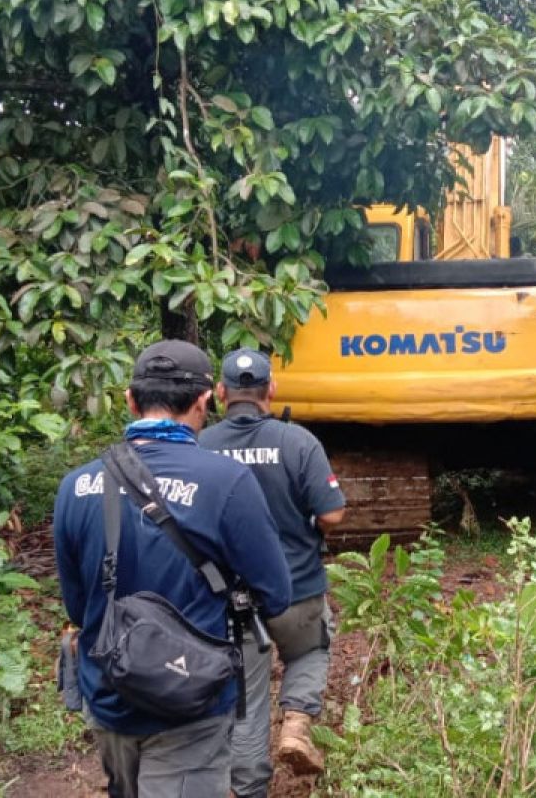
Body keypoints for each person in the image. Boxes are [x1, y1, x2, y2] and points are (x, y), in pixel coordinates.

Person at [53, 340, 292, 798]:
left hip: (109, 695)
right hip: (191, 703)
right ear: (205, 402)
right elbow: (276, 594)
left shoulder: (74, 486)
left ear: (129, 400)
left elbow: (78, 607)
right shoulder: (227, 482)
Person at [198, 348, 346, 797]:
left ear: (220, 394)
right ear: (271, 390)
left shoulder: (201, 447)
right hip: (297, 591)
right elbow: (333, 515)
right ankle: (298, 721)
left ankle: (249, 790)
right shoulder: (297, 441)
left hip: (233, 602)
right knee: (312, 648)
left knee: (247, 702)